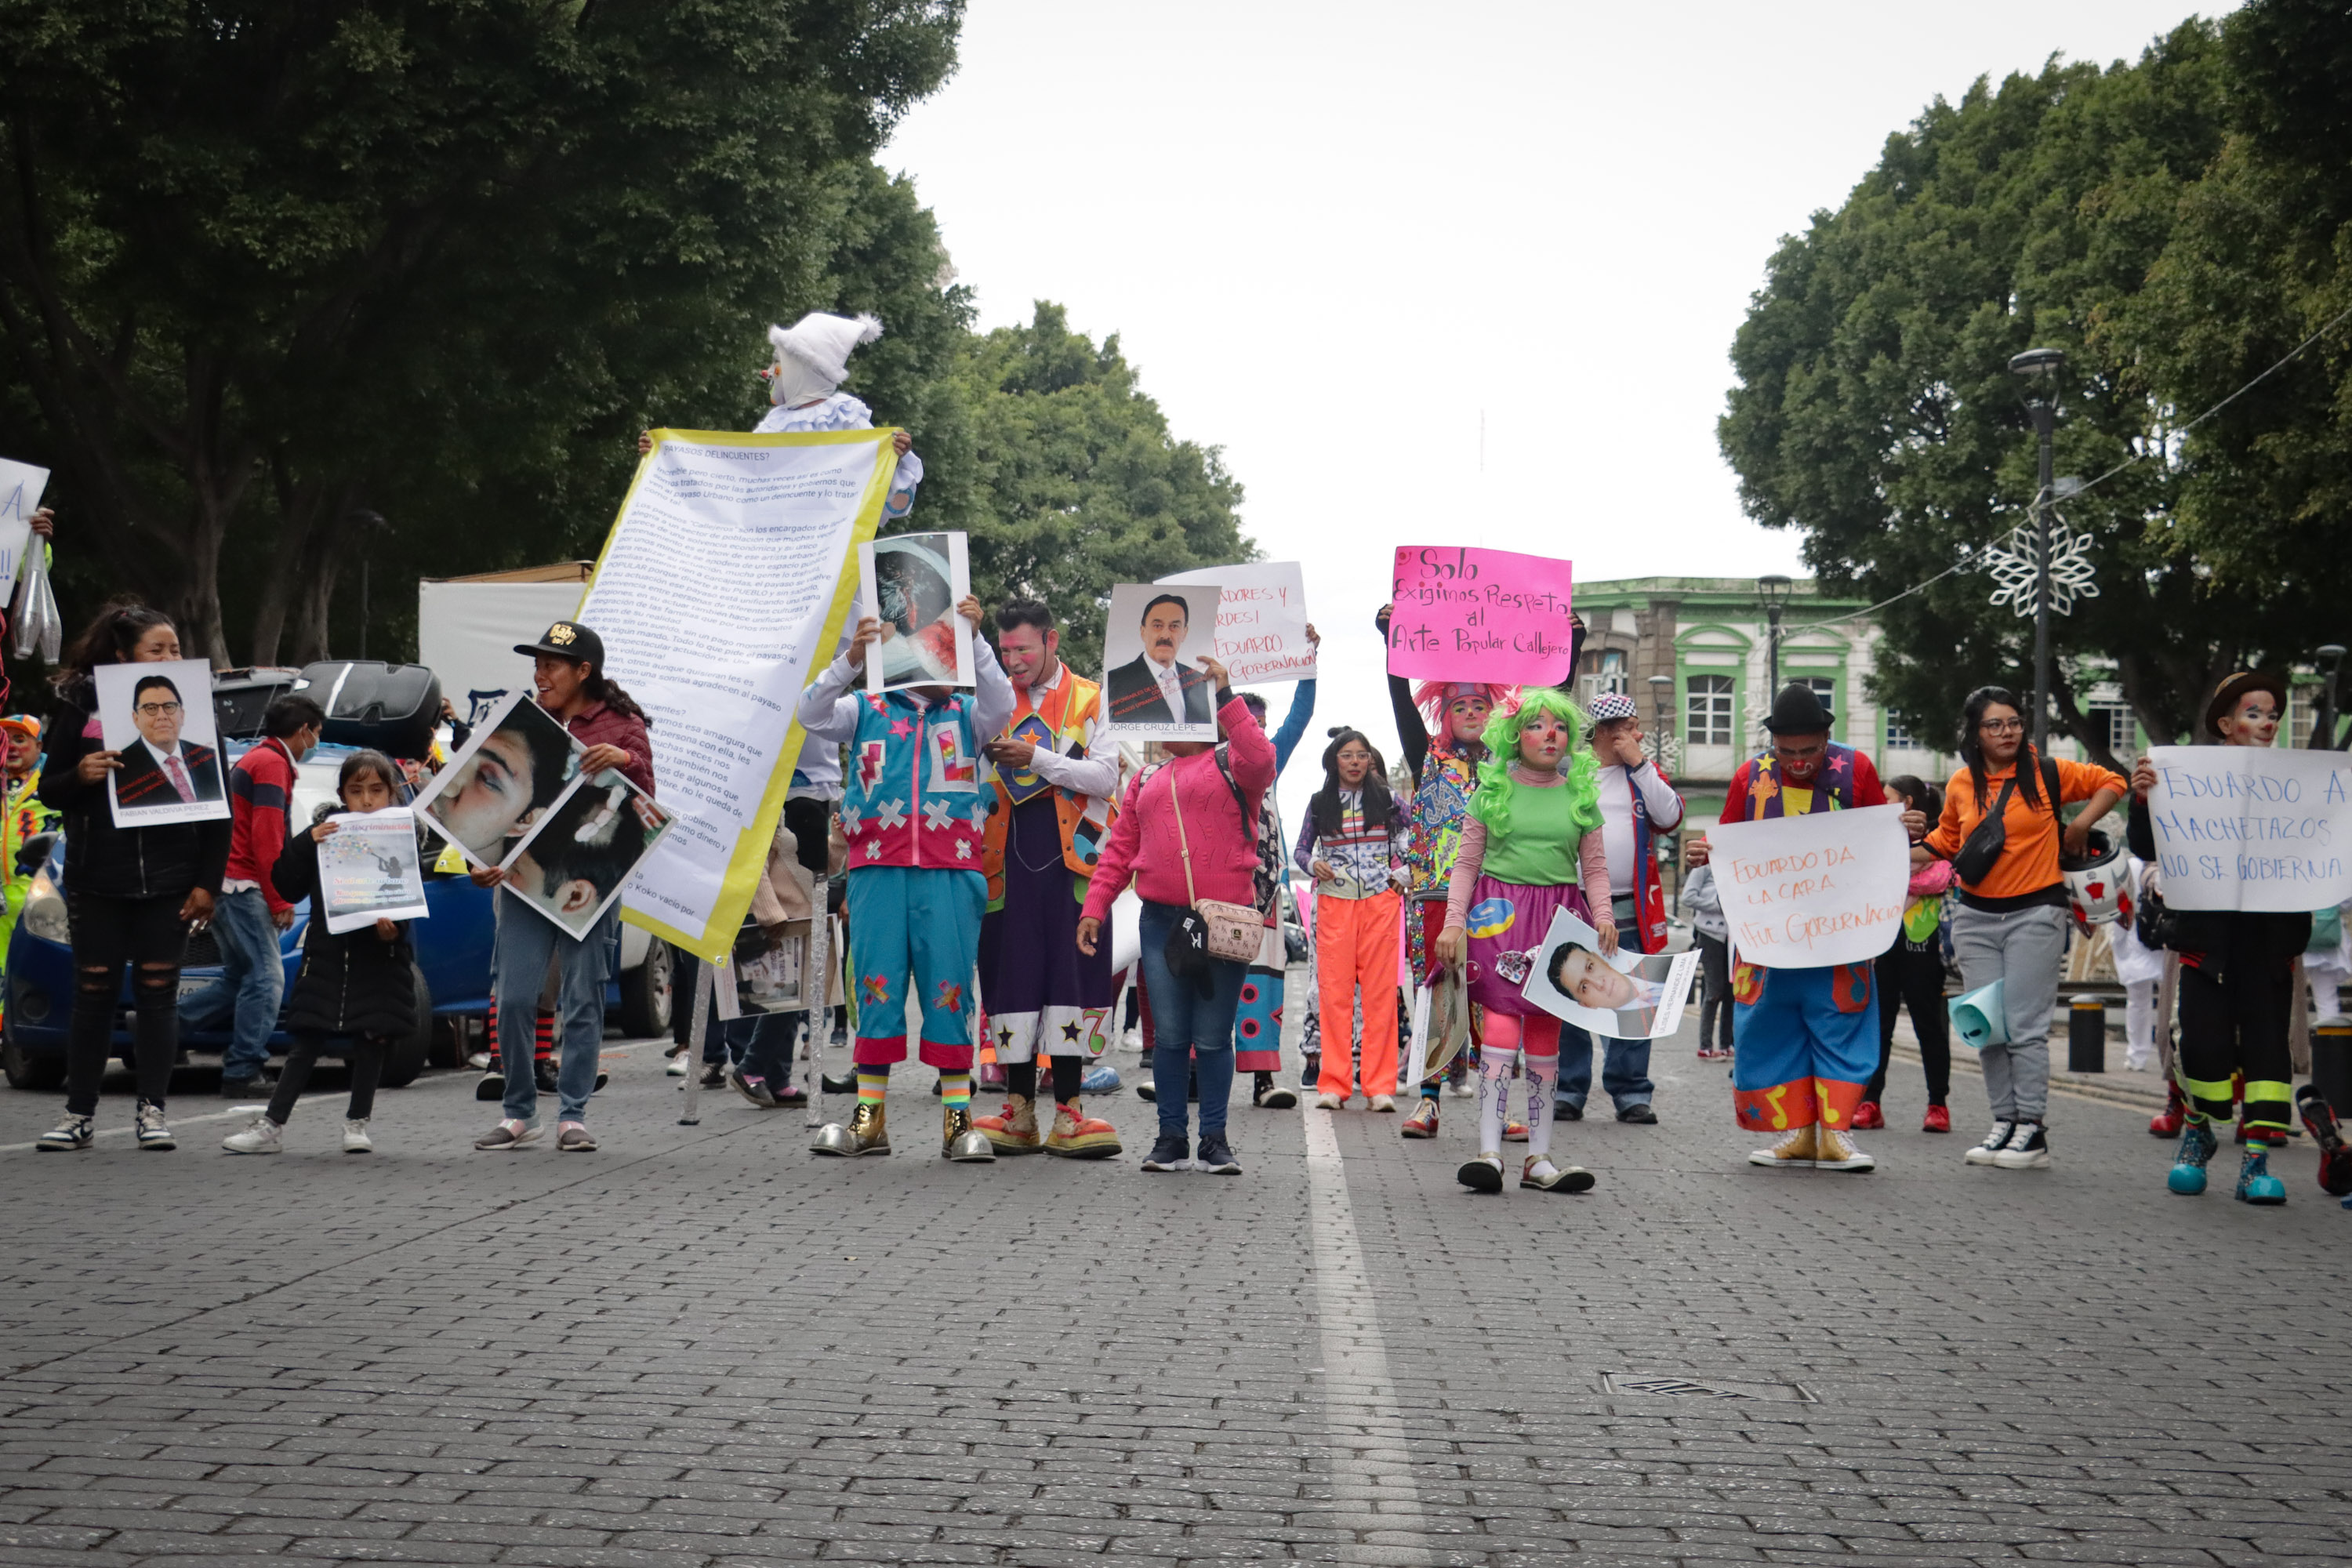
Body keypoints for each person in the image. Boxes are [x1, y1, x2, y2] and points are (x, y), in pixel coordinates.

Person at [797, 595, 1013, 1161]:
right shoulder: (865, 708)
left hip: (951, 871)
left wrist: (977, 638)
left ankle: (957, 1121)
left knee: (950, 991)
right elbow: (810, 713)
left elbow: (1003, 699)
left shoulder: (968, 714)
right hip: (877, 871)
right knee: (876, 989)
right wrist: (849, 660)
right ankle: (870, 1121)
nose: (929, 654)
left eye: (940, 646)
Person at [34, 603, 227, 1152]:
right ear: (122, 656)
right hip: (98, 877)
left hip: (169, 880)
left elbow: (219, 811)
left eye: (175, 650)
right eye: (157, 649)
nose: (171, 657)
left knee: (157, 994)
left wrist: (206, 883)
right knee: (93, 991)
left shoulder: (192, 715)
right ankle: (79, 1114)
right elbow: (50, 789)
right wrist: (82, 774)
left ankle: (153, 1111)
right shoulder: (79, 706)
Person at [1687, 683, 1896, 1174]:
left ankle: (1837, 1136)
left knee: (1840, 1023)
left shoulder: (1857, 770)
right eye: (1787, 753)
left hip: (1840, 933)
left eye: (1809, 751)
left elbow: (1880, 837)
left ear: (1827, 739)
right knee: (1772, 1028)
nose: (1799, 762)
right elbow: (1727, 843)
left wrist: (1901, 829)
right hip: (1770, 937)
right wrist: (1704, 852)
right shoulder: (1749, 776)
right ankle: (1800, 1135)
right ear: (1772, 745)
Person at [1078, 657, 1273, 1174]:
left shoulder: (1234, 766)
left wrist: (1227, 690)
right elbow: (1119, 852)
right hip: (1161, 923)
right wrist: (1095, 908)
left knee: (1212, 1037)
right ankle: (1169, 1138)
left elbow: (1263, 759)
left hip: (1224, 923)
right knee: (1168, 1037)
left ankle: (1214, 1139)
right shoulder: (1144, 780)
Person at [1918, 685, 2125, 1173]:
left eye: (2013, 722)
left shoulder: (2047, 772)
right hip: (1974, 917)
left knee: (2026, 1028)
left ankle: (2031, 1127)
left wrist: (2077, 828)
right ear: (1975, 733)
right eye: (1995, 725)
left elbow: (2112, 781)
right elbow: (1944, 842)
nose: (2007, 731)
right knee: (1988, 1026)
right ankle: (2003, 1122)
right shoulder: (1961, 785)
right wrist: (1879, 853)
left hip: (2037, 912)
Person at [471, 620, 655, 1154]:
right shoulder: (522, 722)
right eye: (538, 664)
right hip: (524, 879)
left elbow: (646, 804)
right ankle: (518, 1110)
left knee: (583, 998)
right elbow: (483, 804)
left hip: (589, 883)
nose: (540, 673)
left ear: (583, 671)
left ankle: (572, 1115)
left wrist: (627, 760)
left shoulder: (622, 725)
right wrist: (478, 864)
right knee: (512, 998)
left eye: (551, 664)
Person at [2127, 673, 2307, 1203]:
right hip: (2208, 943)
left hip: (2270, 946)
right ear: (2226, 724)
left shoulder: (2298, 781)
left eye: (2272, 712)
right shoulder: (2187, 775)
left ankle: (2256, 1162)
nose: (2268, 722)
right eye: (2255, 712)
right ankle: (2199, 1130)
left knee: (2269, 1057)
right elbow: (2145, 844)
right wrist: (2142, 801)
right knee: (2202, 1048)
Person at [1434, 687, 1610, 1194]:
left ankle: (1539, 1158)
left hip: (1558, 924)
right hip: (1497, 920)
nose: (1549, 735)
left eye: (1558, 726)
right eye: (1536, 725)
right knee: (1501, 1031)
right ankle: (1489, 1152)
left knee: (1545, 1036)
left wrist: (1602, 915)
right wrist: (1452, 922)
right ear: (1516, 735)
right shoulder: (1492, 791)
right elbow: (1466, 864)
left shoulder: (1580, 795)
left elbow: (1594, 869)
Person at [969, 600, 1123, 1158]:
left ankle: (1070, 1111)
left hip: (1075, 865)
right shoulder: (988, 699)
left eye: (1023, 650)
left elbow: (1106, 777)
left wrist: (1037, 758)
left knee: (1073, 976)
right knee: (1010, 974)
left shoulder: (1092, 697)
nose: (1013, 661)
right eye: (1004, 650)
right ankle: (1017, 1110)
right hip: (1003, 861)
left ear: (1052, 641)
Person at [221, 751, 419, 1155]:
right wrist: (305, 842)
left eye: (376, 790)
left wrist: (392, 934)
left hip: (378, 958)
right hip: (326, 953)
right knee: (307, 1039)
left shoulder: (403, 835)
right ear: (342, 794)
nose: (366, 800)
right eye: (356, 791)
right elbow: (286, 884)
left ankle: (357, 1123)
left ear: (391, 792)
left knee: (371, 1038)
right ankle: (272, 1125)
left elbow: (405, 902)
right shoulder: (325, 833)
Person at [1376, 603, 1521, 1138]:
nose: (1470, 712)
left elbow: (1551, 699)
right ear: (1445, 712)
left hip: (1496, 891)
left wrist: (1567, 650)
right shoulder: (1428, 759)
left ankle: (1498, 1103)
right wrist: (1391, 639)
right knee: (1440, 993)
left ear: (1493, 711)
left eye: (1479, 704)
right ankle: (1430, 1100)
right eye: (1459, 705)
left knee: (1497, 996)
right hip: (1437, 894)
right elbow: (1399, 702)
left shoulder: (1512, 764)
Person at [640, 309, 923, 520]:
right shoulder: (774, 425)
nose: (770, 371)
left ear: (801, 367)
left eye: (778, 362)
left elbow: (887, 493)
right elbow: (733, 474)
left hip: (831, 559)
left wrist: (895, 456)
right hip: (776, 560)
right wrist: (665, 455)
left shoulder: (847, 418)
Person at [181, 694, 325, 1098]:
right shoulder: (272, 765)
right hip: (243, 885)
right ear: (303, 731)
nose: (314, 743)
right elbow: (267, 838)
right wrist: (280, 899)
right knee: (267, 976)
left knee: (240, 977)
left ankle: (164, 1026)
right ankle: (243, 1069)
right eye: (316, 735)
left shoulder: (259, 760)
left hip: (228, 882)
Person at [1554, 692, 1682, 1125]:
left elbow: (1671, 817)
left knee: (1634, 998)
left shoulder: (1641, 774)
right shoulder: (1570, 771)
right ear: (1608, 732)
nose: (1639, 734)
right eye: (1631, 727)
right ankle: (1568, 1089)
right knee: (1571, 994)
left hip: (1631, 905)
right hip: (1574, 901)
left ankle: (1631, 1091)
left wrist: (1642, 765)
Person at [1296, 728, 1409, 1110]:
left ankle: (1379, 1087)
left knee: (1380, 996)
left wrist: (1402, 875)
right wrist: (1314, 864)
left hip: (1380, 903)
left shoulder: (1391, 801)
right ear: (1334, 761)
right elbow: (1299, 851)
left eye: (1361, 755)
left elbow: (1415, 842)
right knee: (1334, 995)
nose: (1356, 762)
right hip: (1334, 904)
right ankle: (1334, 1084)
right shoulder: (1318, 803)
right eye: (1347, 755)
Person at [1227, 676, 1316, 1110]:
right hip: (1211, 894)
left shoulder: (1270, 761)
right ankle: (1190, 1076)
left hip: (1261, 897)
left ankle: (1263, 1079)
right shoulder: (1206, 762)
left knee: (1260, 986)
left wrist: (1308, 667)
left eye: (1261, 725)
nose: (1255, 732)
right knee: (1201, 984)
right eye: (1247, 723)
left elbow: (1301, 717)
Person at [1853, 775, 1955, 1134]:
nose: (1881, 801)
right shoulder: (1877, 838)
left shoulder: (1938, 836)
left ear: (1907, 803)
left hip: (1922, 944)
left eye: (1888, 796)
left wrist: (1892, 874)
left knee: (1929, 1025)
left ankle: (1937, 1104)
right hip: (1882, 944)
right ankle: (1870, 1102)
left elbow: (1941, 877)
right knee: (1879, 1027)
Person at [0, 715, 59, 1013]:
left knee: (34, 972)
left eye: (19, 739)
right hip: (1, 899)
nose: (10, 746)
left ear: (39, 744)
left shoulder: (54, 780)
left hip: (40, 897)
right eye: (4, 738)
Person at [111, 673, 224, 808]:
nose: (162, 716)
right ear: (136, 719)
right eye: (151, 708)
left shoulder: (209, 757)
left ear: (182, 715)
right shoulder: (119, 767)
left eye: (169, 707)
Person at [1105, 594, 1216, 726]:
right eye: (1157, 626)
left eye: (1174, 626)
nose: (1165, 635)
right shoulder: (1115, 683)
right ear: (1143, 631)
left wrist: (1223, 691)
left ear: (1184, 633)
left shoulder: (1201, 682)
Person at [1679, 861, 1733, 1060]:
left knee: (1732, 992)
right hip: (1710, 933)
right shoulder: (1703, 867)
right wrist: (1717, 905)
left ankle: (1727, 1044)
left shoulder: (1735, 862)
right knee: (1714, 991)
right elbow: (1688, 897)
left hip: (1734, 934)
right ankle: (1705, 1045)